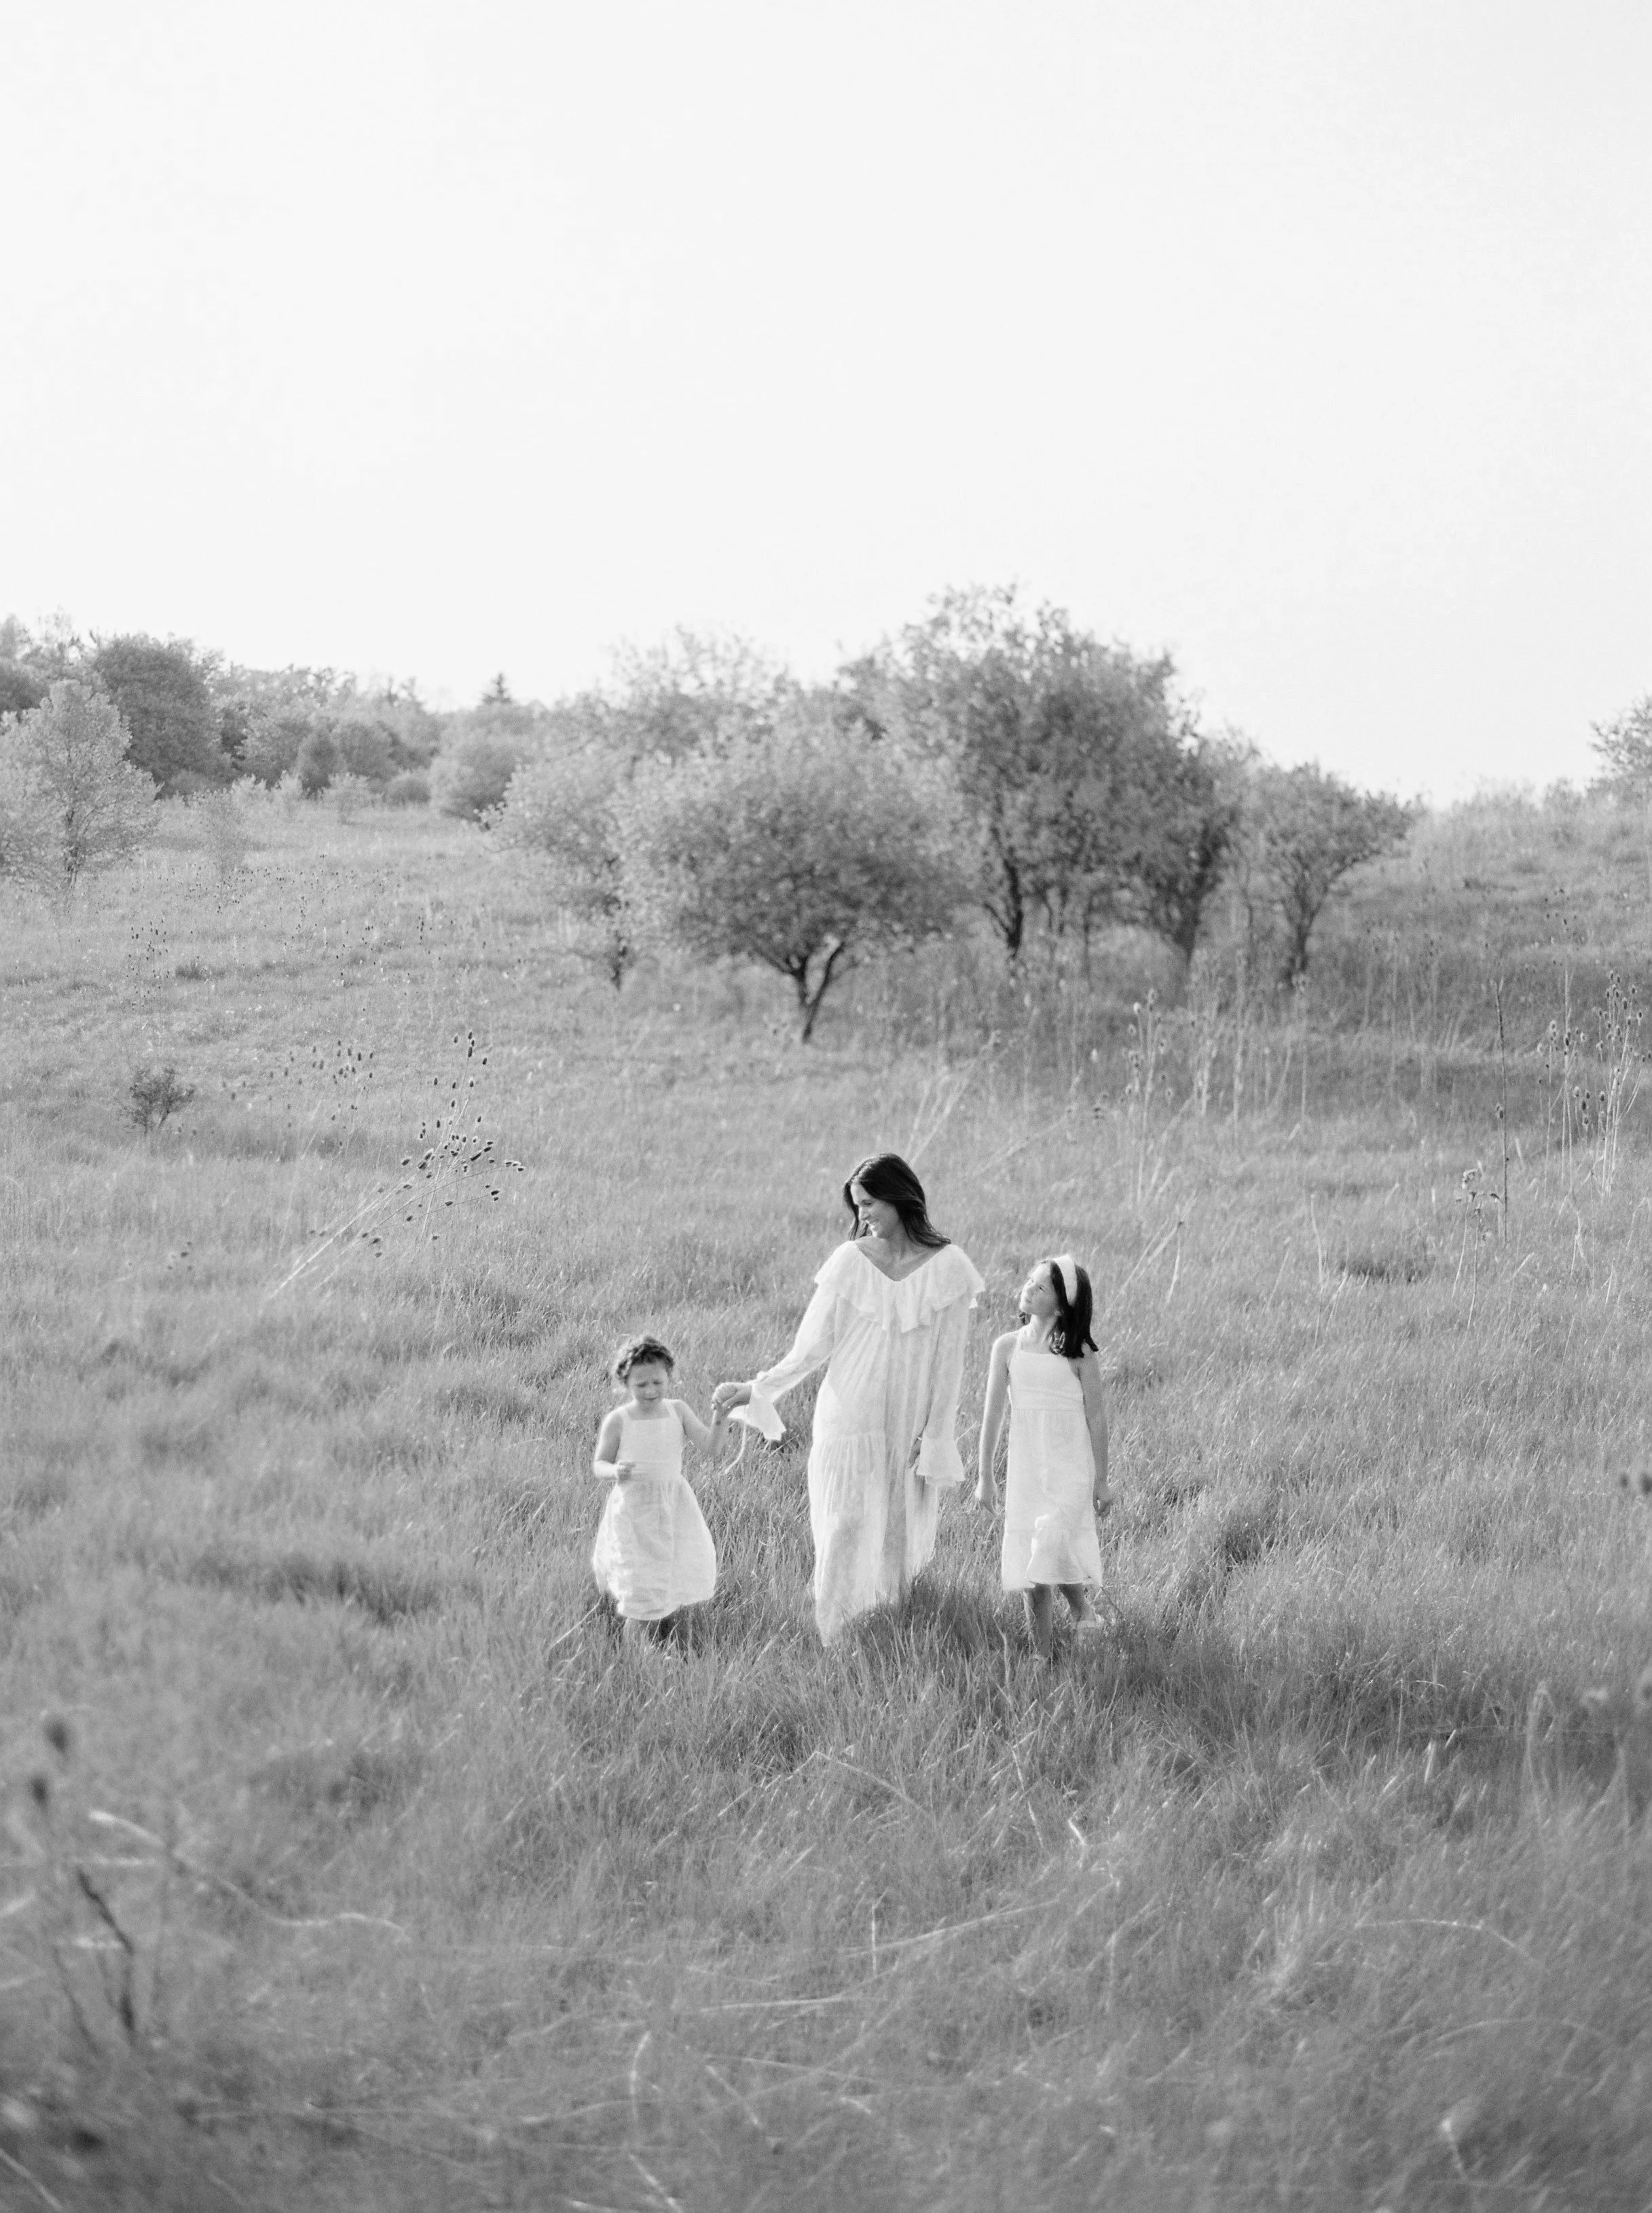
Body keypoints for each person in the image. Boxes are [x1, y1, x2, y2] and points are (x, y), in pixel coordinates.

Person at [712, 1153, 984, 1645]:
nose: (863, 1217)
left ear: (900, 1198)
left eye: (870, 1204)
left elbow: (950, 1366)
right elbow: (810, 1346)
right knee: (846, 1522)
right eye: (857, 1207)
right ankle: (832, 1633)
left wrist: (937, 1434)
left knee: (897, 1530)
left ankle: (890, 1627)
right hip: (849, 1410)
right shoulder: (849, 1260)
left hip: (908, 1418)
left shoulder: (949, 1267)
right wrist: (759, 1388)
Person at [974, 1254, 1112, 1658]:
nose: (1028, 1290)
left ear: (1063, 1302)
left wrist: (1102, 1479)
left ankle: (1081, 1609)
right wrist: (985, 1476)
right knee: (1036, 1554)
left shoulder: (1079, 1353)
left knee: (1052, 1540)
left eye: (1041, 1287)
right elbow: (992, 1416)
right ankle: (1043, 1652)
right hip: (1027, 1468)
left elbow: (1097, 1416)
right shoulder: (1007, 1348)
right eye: (1029, 1283)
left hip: (1070, 1466)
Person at [591, 1334, 727, 1642]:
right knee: (639, 1581)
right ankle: (638, 1650)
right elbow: (598, 1464)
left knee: (668, 1571)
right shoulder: (619, 1420)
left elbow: (712, 1447)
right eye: (641, 1385)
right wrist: (614, 1470)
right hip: (634, 1510)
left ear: (669, 1377)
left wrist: (721, 1415)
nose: (651, 1391)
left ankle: (666, 1629)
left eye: (657, 1382)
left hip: (673, 1506)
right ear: (625, 1384)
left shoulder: (677, 1411)